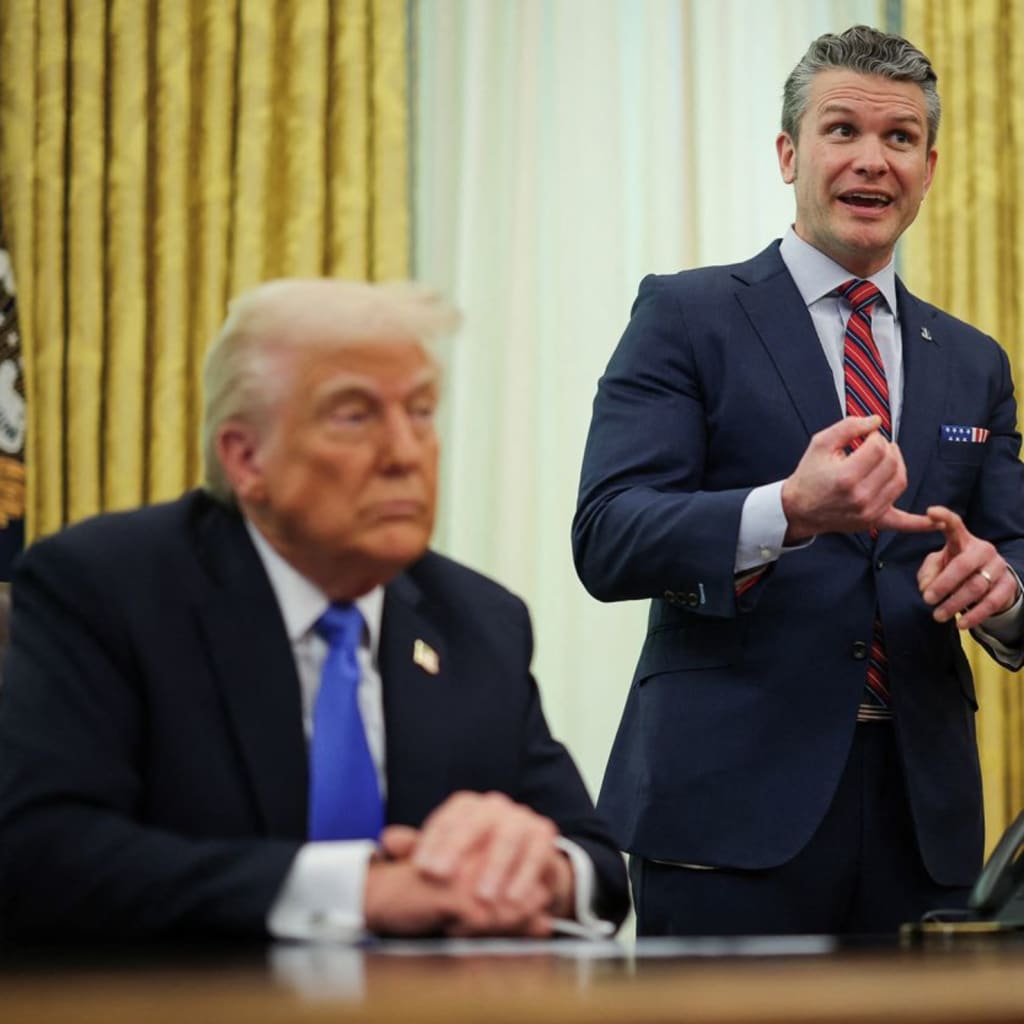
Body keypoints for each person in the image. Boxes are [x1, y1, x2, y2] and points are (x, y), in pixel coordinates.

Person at [0, 279, 629, 941]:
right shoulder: (108, 588)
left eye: (420, 412)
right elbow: (40, 854)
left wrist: (533, 867)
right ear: (246, 458)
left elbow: (596, 869)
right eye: (354, 416)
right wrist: (360, 890)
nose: (405, 453)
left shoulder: (476, 620)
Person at [573, 25, 1024, 936]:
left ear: (929, 169)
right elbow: (610, 534)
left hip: (921, 818)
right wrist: (787, 511)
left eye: (899, 140)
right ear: (789, 153)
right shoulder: (687, 314)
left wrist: (1002, 589)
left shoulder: (975, 361)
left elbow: (1012, 550)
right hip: (726, 810)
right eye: (841, 130)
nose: (872, 161)